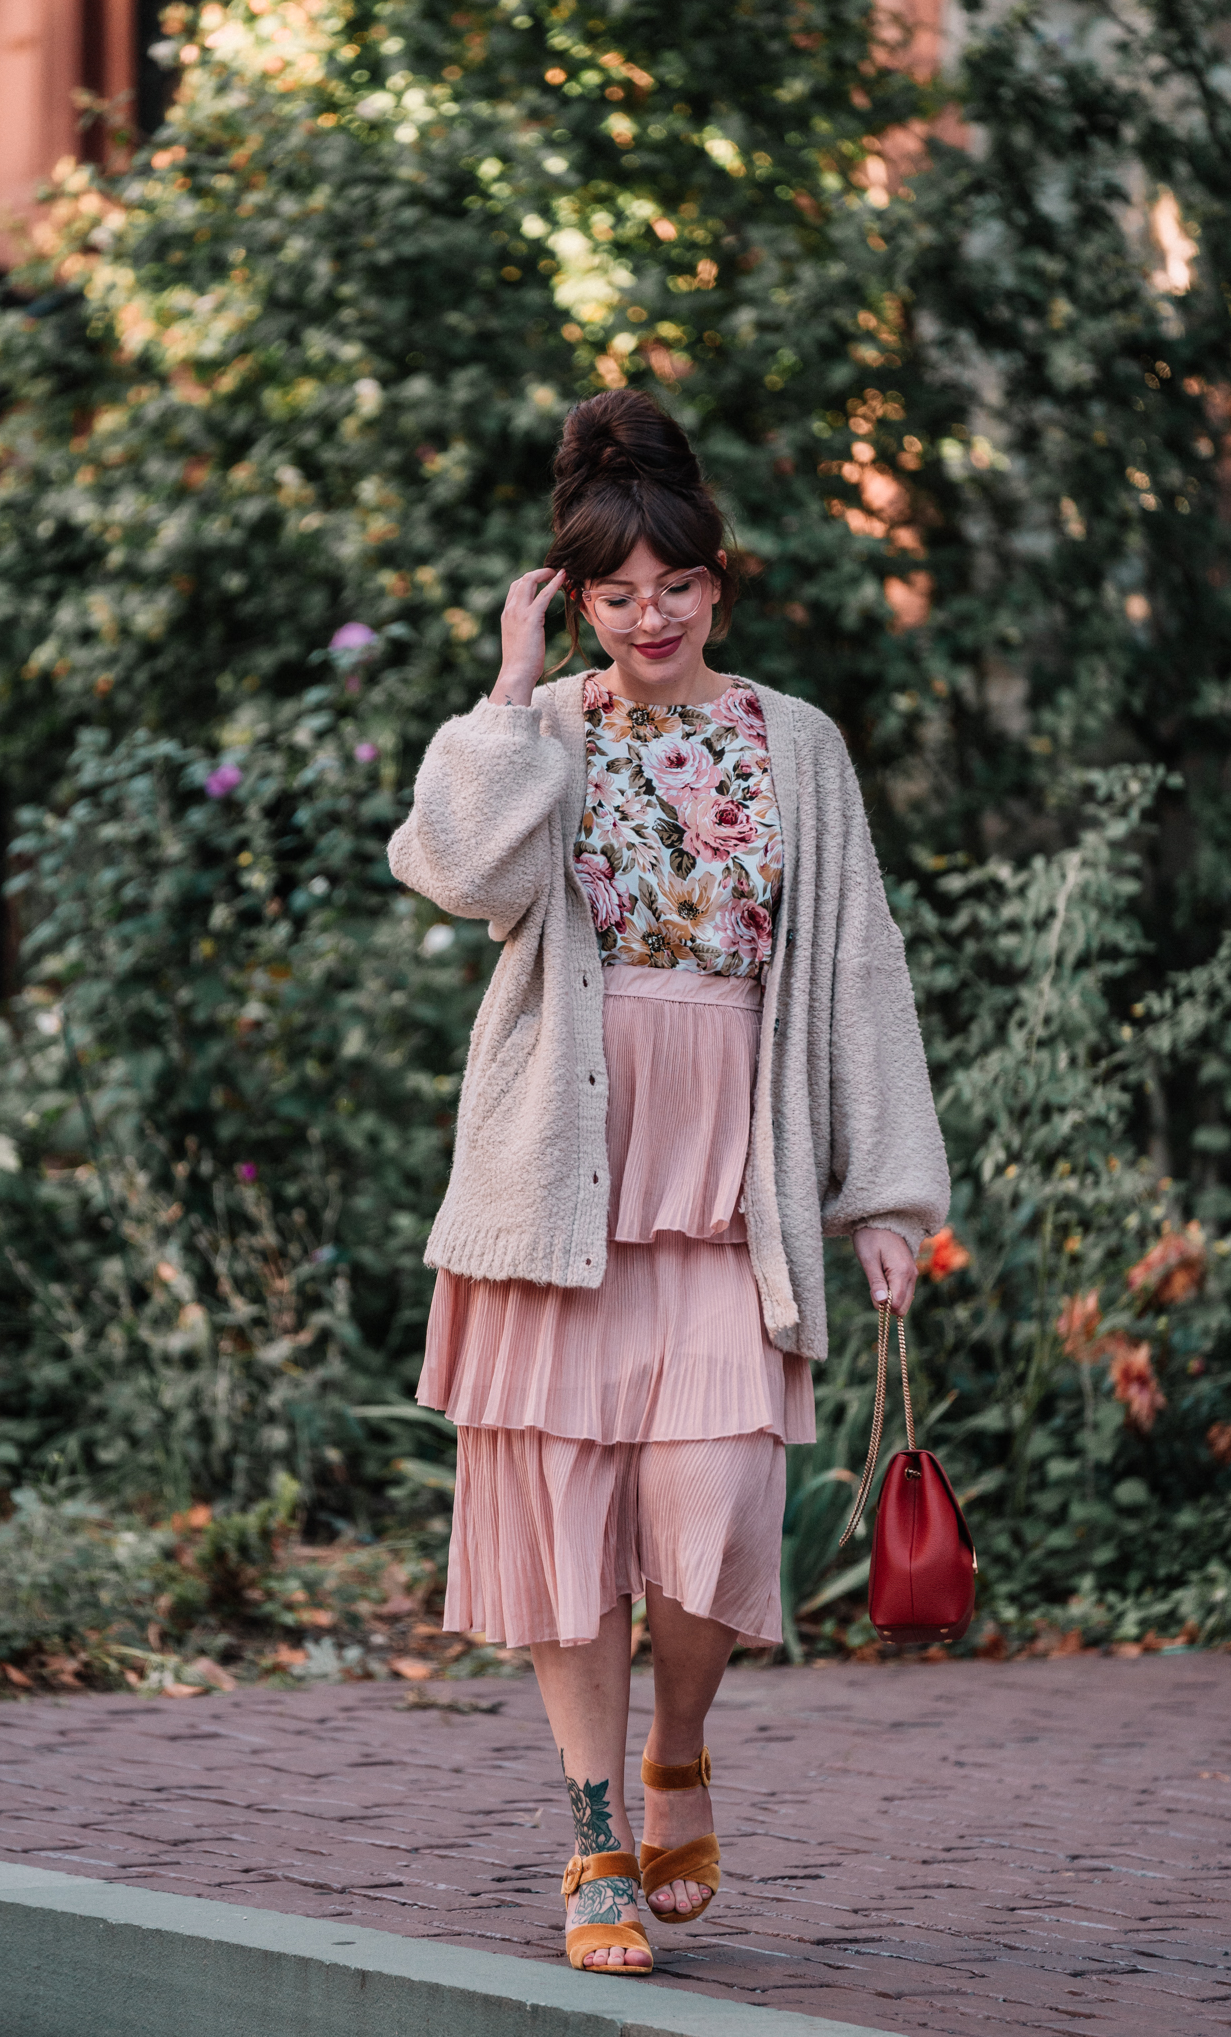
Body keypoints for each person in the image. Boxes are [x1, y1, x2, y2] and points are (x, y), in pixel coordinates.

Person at [387, 389, 948, 1976]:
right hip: (559, 1178)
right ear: (581, 598)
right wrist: (505, 695)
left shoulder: (795, 744)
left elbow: (853, 968)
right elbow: (455, 874)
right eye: (618, 596)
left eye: (676, 589)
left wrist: (887, 1198)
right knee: (569, 1521)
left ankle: (679, 1749)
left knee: (714, 1510)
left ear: (717, 584)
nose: (651, 619)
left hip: (725, 1184)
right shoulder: (543, 735)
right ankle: (592, 1853)